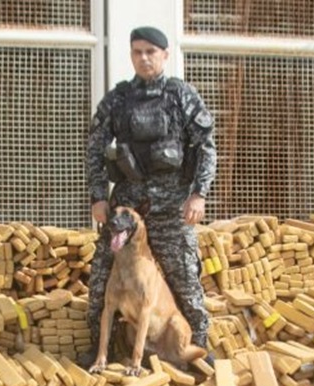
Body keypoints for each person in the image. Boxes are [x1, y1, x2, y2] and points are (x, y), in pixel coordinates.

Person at [83, 26, 217, 367]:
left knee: (184, 276)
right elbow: (94, 147)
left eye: (151, 52)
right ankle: (100, 351)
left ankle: (197, 348)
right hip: (128, 208)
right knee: (102, 278)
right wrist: (99, 197)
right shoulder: (118, 99)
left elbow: (205, 147)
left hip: (173, 206)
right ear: (131, 55)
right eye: (137, 51)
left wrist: (199, 194)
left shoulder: (181, 96)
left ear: (164, 54)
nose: (144, 58)